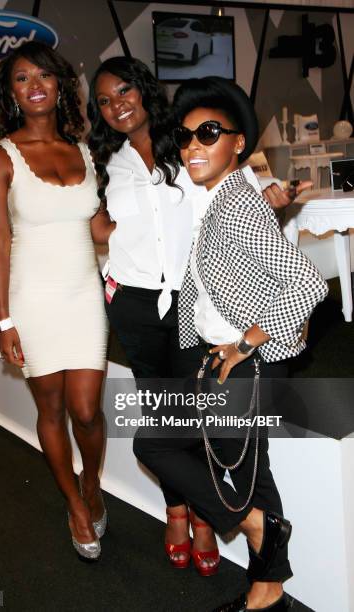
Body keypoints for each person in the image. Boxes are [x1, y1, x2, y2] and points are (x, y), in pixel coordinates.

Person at [87, 56, 310, 576]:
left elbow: (290, 270)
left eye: (125, 90)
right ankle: (198, 520)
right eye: (103, 99)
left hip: (219, 331)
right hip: (156, 312)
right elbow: (97, 223)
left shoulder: (199, 162)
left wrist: (250, 340)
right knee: (171, 428)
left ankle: (231, 533)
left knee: (217, 442)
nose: (116, 104)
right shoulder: (107, 163)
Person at [133, 76, 328, 611]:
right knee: (246, 473)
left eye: (209, 133)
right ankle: (269, 580)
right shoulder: (223, 198)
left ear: (238, 142)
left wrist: (246, 343)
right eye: (186, 136)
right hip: (223, 360)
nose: (192, 145)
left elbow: (307, 283)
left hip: (246, 364)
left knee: (160, 447)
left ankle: (264, 546)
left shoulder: (236, 205)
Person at [0, 41, 109, 561]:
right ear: (11, 94)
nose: (34, 86)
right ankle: (75, 504)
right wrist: (4, 321)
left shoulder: (84, 151)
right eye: (21, 79)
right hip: (31, 299)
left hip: (83, 295)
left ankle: (93, 483)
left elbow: (99, 226)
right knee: (51, 410)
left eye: (43, 76)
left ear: (60, 85)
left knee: (88, 411)